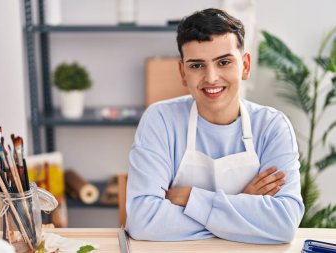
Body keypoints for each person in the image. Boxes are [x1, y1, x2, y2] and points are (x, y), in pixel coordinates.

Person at [125, 8, 304, 244]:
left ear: (246, 66)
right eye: (197, 66)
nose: (211, 78)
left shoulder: (272, 126)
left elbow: (283, 224)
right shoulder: (160, 120)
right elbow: (143, 221)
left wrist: (191, 198)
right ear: (182, 72)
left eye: (224, 62)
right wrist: (242, 205)